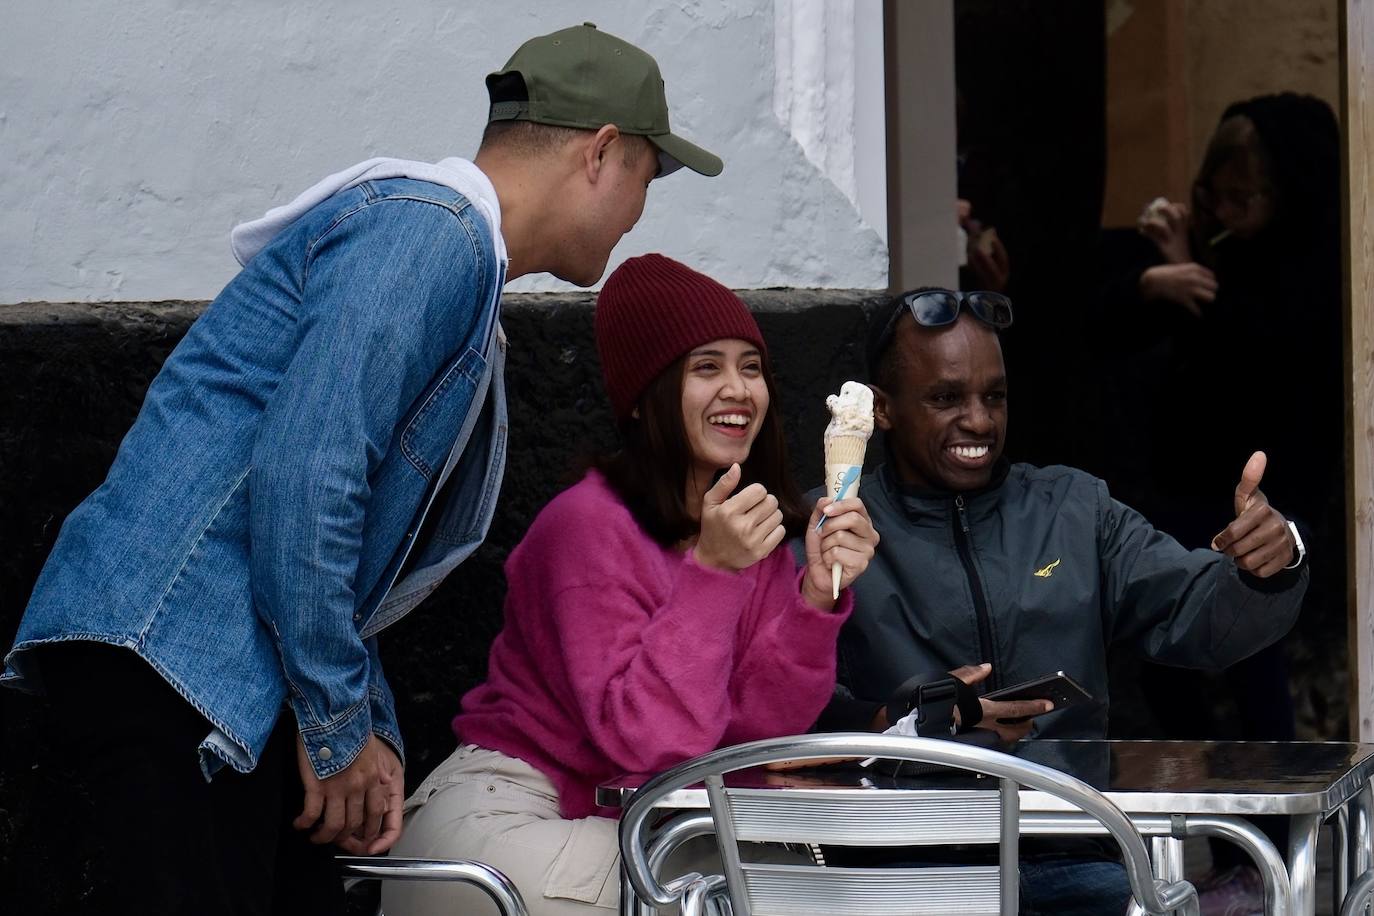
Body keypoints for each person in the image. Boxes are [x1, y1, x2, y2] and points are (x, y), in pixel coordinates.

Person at [2, 24, 722, 916]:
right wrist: (340, 728)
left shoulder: (449, 253)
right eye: (648, 179)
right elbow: (310, 475)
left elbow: (353, 536)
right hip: (177, 649)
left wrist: (355, 721)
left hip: (213, 661)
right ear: (602, 153)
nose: (639, 213)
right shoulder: (433, 235)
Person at [381, 254, 880, 916]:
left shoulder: (748, 531)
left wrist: (815, 598)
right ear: (647, 398)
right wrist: (714, 572)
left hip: (644, 818)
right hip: (508, 813)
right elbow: (646, 740)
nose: (738, 388)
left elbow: (755, 732)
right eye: (707, 368)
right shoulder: (585, 525)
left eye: (750, 367)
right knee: (701, 902)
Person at [816, 287, 1307, 915]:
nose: (979, 420)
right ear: (882, 410)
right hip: (900, 865)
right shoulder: (834, 531)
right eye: (945, 398)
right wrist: (912, 719)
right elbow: (790, 718)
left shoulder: (1075, 510)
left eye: (994, 396)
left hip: (1070, 856)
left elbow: (1199, 616)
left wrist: (1269, 567)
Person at [1126, 93, 1342, 913]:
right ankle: (1222, 843)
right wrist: (1169, 268)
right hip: (1185, 489)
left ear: (1288, 194)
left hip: (1270, 495)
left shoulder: (1313, 266)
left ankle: (1277, 859)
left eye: (1244, 198)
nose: (1226, 213)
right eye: (1216, 195)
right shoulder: (1218, 253)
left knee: (1256, 663)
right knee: (1163, 647)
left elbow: (1261, 357)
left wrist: (1198, 277)